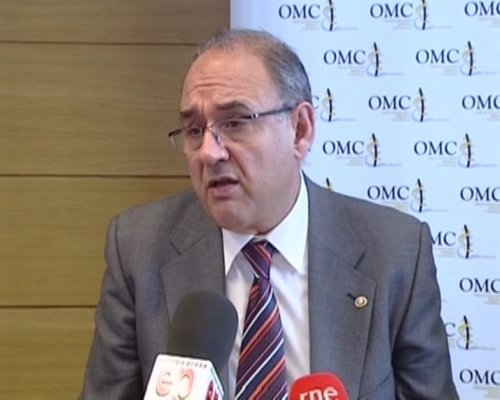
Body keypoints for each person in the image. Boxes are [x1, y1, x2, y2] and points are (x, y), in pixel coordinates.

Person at [80, 29, 458, 399]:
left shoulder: (395, 253)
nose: (209, 152)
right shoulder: (139, 248)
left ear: (300, 131)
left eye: (235, 123)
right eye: (194, 130)